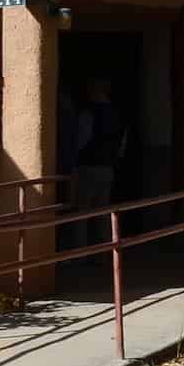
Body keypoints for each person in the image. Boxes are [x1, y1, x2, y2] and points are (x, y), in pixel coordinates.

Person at [69, 79, 124, 251]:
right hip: (107, 168)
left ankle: (81, 252)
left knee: (82, 213)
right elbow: (122, 145)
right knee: (103, 212)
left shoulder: (89, 113)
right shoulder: (117, 115)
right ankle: (106, 251)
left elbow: (81, 141)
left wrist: (74, 162)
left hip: (89, 167)